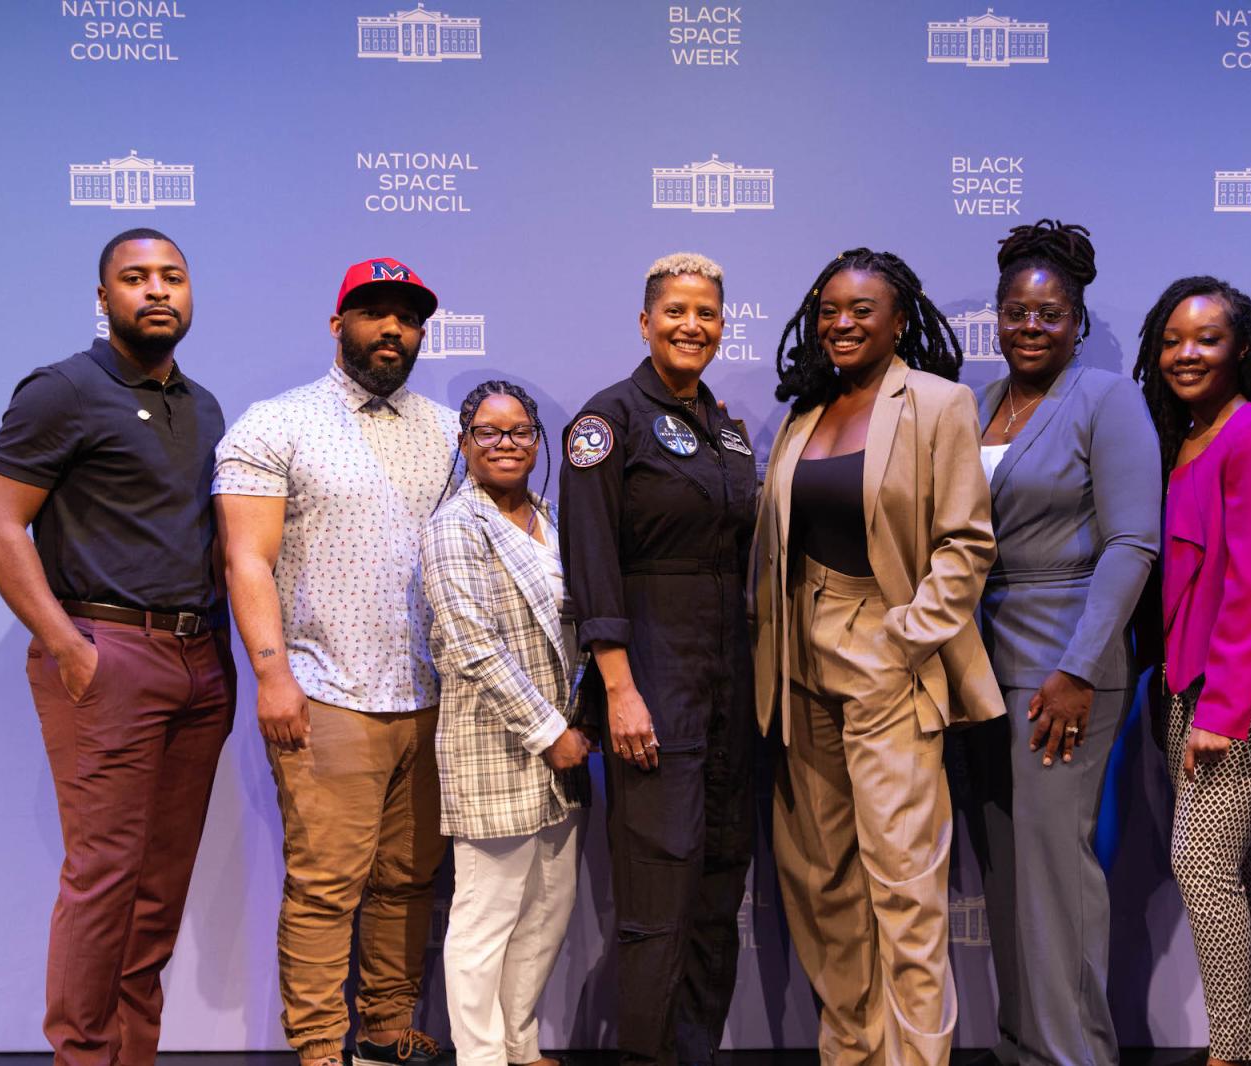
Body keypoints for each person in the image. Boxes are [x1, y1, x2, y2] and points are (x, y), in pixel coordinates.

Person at [753, 247, 1004, 1066]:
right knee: (823, 881)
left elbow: (966, 544)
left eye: (863, 309)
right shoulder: (803, 414)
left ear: (900, 321)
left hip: (886, 655)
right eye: (830, 308)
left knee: (903, 885)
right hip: (797, 664)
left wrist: (902, 639)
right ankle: (851, 1051)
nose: (842, 323)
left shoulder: (938, 403)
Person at [0, 228, 233, 1066]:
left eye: (173, 276)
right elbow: (1, 523)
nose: (157, 291)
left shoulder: (202, 405)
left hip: (200, 663)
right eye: (135, 279)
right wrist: (66, 645)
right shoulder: (61, 390)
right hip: (107, 652)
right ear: (104, 299)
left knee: (159, 892)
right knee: (104, 881)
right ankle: (82, 1058)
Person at [215, 258, 458, 1066]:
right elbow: (246, 562)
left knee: (407, 882)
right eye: (373, 312)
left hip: (427, 696)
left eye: (408, 317)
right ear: (337, 324)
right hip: (325, 691)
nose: (392, 329)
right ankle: (320, 1049)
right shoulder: (275, 424)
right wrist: (273, 677)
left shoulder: (450, 430)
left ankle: (386, 1033)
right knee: (326, 890)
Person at [959, 221, 1160, 1066]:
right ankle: (1021, 1047)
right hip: (976, 670)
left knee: (1053, 872)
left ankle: (1073, 1054)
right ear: (997, 319)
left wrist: (1078, 668)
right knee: (1004, 874)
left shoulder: (1107, 398)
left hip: (1064, 663)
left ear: (1076, 320)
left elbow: (1132, 544)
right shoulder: (976, 404)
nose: (1030, 328)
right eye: (1015, 312)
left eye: (1048, 313)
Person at [557, 252, 756, 1066]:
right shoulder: (608, 422)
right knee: (657, 897)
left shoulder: (730, 429)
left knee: (716, 885)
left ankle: (696, 1054)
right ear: (645, 323)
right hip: (650, 681)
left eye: (706, 312)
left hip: (729, 686)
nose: (691, 325)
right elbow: (592, 564)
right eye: (675, 310)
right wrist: (619, 691)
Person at [1131, 276, 1251, 1066]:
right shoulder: (1186, 438)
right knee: (1227, 865)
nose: (1185, 353)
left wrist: (1222, 710)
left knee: (1200, 862)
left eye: (1206, 338)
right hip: (1189, 684)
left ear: (1242, 346)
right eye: (1172, 340)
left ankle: (1234, 1052)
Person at [421, 380, 592, 1066]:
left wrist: (572, 728)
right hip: (499, 747)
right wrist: (550, 733)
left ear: (538, 441)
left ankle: (522, 1044)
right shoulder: (454, 525)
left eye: (519, 431)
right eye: (488, 433)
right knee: (485, 920)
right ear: (464, 445)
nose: (506, 444)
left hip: (565, 750)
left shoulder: (551, 518)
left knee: (548, 913)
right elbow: (471, 645)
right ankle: (483, 1057)